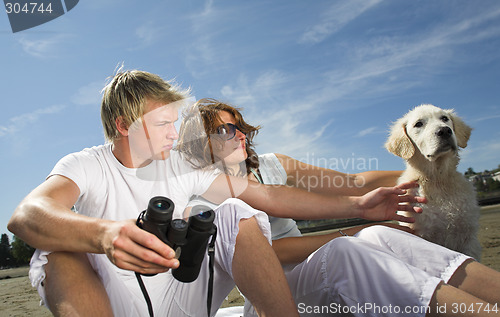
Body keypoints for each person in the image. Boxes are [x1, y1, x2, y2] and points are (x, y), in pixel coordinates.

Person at [7, 70, 425, 317]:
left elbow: (274, 198)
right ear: (124, 126)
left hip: (179, 291)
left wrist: (357, 205)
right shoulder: (86, 164)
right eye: (163, 123)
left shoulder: (185, 167)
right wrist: (103, 235)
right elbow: (27, 215)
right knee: (56, 251)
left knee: (232, 210)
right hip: (113, 299)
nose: (175, 132)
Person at [176, 98, 500, 317]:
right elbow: (271, 252)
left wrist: (429, 172)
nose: (239, 135)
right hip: (275, 297)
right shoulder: (203, 197)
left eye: (239, 126)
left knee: (379, 237)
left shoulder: (273, 166)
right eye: (224, 129)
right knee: (346, 250)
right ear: (199, 143)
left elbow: (354, 183)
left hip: (319, 275)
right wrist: (355, 229)